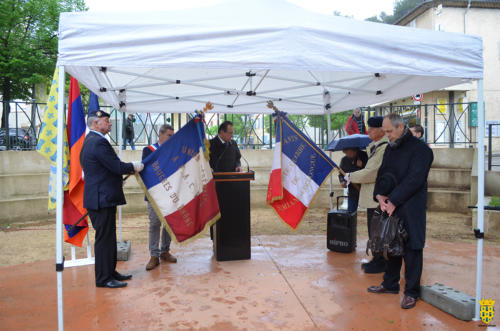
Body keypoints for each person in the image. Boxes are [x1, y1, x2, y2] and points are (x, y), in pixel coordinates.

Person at [367, 113, 433, 310]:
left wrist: (394, 200)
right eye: (384, 131)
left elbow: (416, 178)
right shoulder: (390, 148)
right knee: (391, 245)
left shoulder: (421, 149)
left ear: (400, 126)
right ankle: (390, 284)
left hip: (411, 207)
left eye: (389, 131)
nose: (386, 135)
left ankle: (412, 292)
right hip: (390, 205)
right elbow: (382, 173)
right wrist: (379, 195)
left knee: (412, 249)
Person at [80, 109, 144, 288]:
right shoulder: (98, 143)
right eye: (106, 121)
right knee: (104, 239)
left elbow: (102, 169)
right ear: (95, 124)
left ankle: (110, 271)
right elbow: (116, 166)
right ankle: (103, 278)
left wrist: (114, 181)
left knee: (108, 237)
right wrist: (134, 166)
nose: (110, 123)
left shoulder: (91, 141)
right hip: (101, 199)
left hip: (101, 196)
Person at [343, 116, 389, 273]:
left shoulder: (384, 147)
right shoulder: (375, 147)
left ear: (382, 130)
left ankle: (381, 261)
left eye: (372, 128)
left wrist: (351, 176)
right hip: (373, 196)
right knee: (373, 229)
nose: (368, 131)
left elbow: (372, 172)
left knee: (377, 230)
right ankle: (376, 258)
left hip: (378, 196)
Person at [143, 124, 177, 271]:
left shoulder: (173, 151)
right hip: (155, 194)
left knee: (169, 224)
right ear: (161, 135)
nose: (172, 139)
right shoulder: (148, 150)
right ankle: (153, 255)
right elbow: (147, 170)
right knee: (155, 224)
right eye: (170, 135)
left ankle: (165, 251)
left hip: (169, 193)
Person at [338, 148, 368, 212]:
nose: (348, 155)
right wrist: (342, 181)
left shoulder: (364, 156)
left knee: (370, 210)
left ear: (355, 150)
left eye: (350, 153)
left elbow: (369, 171)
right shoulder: (344, 160)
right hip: (352, 188)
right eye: (346, 153)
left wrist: (362, 166)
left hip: (364, 188)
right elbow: (341, 174)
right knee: (351, 211)